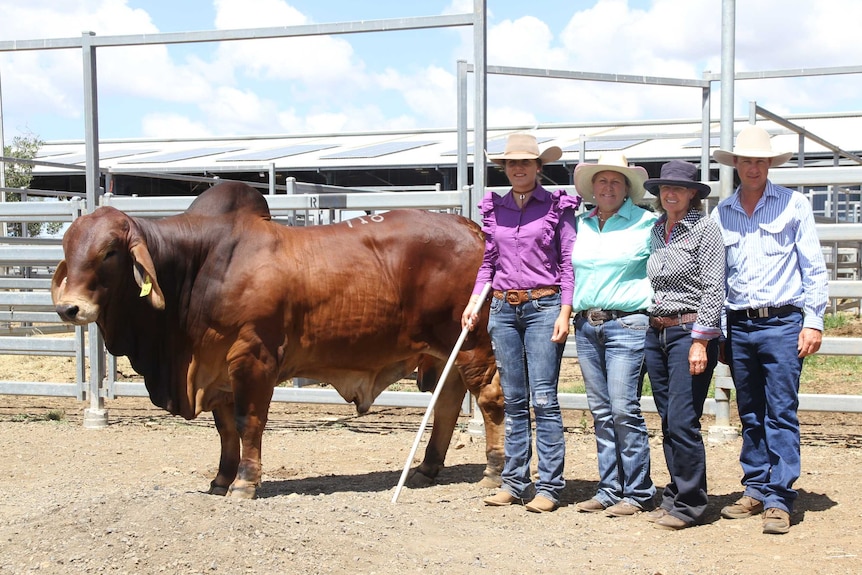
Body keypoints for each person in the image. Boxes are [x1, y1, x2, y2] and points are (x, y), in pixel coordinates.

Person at [712, 125, 828, 535]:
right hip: (740, 323)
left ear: (769, 164)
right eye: (747, 160)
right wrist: (720, 331)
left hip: (782, 321)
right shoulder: (721, 212)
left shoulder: (794, 204)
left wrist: (812, 320)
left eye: (760, 160)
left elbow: (813, 266)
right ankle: (757, 486)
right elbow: (716, 277)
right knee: (750, 411)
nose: (754, 167)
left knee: (779, 409)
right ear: (737, 164)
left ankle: (779, 496)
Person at [462, 133, 580, 513]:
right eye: (511, 163)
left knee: (543, 399)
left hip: (544, 306)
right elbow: (488, 264)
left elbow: (567, 264)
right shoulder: (495, 208)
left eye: (525, 163)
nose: (518, 169)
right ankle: (513, 482)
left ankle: (549, 486)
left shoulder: (557, 207)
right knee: (513, 399)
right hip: (501, 308)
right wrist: (474, 301)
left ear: (538, 168)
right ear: (504, 168)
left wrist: (565, 311)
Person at [570, 152, 657, 517]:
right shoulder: (580, 225)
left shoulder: (647, 224)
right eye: (602, 181)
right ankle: (609, 488)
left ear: (627, 189)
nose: (607, 187)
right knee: (601, 411)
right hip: (587, 325)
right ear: (592, 188)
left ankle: (637, 491)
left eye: (615, 182)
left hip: (628, 323)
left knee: (623, 408)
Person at [642, 160, 725, 530]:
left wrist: (701, 341)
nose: (669, 194)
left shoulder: (706, 229)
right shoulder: (658, 229)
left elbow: (713, 287)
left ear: (692, 194)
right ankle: (675, 494)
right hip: (657, 329)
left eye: (678, 188)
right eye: (664, 188)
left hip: (688, 329)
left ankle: (691, 502)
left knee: (682, 419)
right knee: (668, 418)